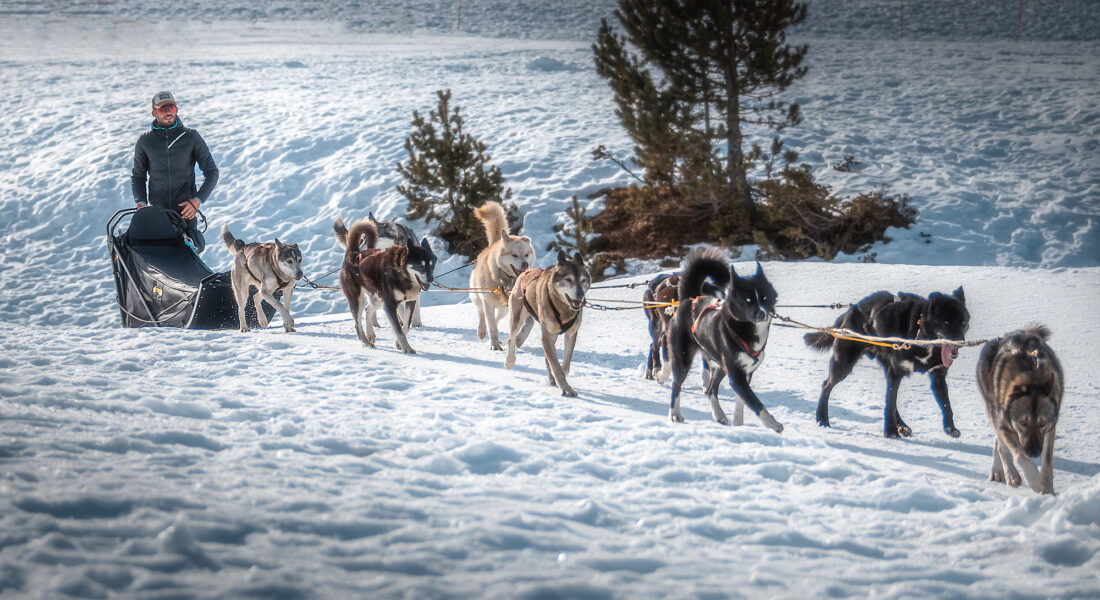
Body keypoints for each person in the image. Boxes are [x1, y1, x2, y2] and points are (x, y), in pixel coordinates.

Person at [131, 91, 219, 252]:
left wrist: (197, 200)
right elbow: (138, 176)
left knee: (189, 269)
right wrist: (141, 202)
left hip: (186, 216)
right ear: (154, 113)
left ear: (176, 109)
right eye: (162, 109)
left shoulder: (191, 137)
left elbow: (212, 172)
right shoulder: (145, 141)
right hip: (159, 217)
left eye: (171, 107)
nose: (168, 111)